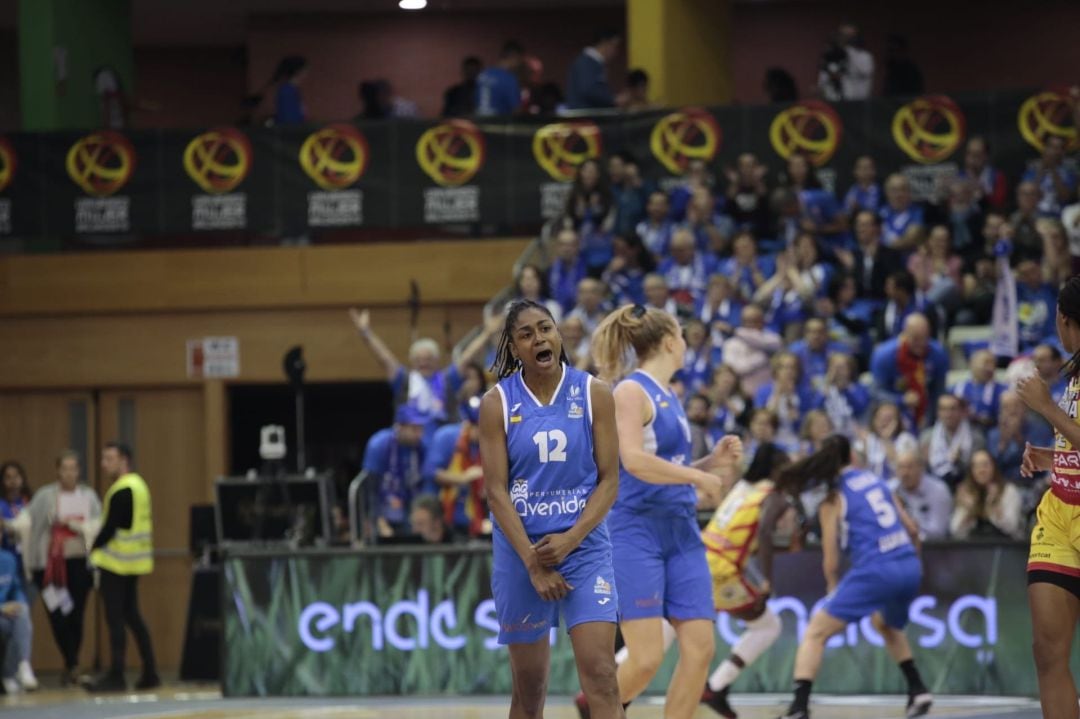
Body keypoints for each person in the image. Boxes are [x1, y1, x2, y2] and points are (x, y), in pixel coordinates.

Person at [590, 304, 742, 719]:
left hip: (681, 532)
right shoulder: (629, 391)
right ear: (671, 341)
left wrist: (710, 462)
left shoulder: (672, 395)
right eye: (682, 335)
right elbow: (634, 461)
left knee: (700, 649)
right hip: (636, 531)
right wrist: (699, 480)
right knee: (645, 659)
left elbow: (669, 465)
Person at [478, 299, 623, 719]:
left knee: (602, 674)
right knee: (529, 688)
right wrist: (533, 562)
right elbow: (495, 491)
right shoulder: (497, 403)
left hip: (584, 548)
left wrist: (572, 539)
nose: (539, 338)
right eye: (526, 334)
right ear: (514, 347)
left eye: (545, 328)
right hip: (522, 552)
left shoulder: (595, 392)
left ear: (558, 334)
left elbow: (609, 480)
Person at [778, 435, 931, 719]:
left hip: (876, 569)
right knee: (884, 624)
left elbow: (831, 559)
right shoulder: (877, 481)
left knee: (816, 631)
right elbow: (912, 529)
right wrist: (913, 564)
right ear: (852, 457)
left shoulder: (833, 498)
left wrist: (833, 588)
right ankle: (918, 689)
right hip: (908, 564)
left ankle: (798, 707)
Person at [1015, 276, 1080, 719]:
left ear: (1063, 318)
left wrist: (1046, 408)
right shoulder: (1076, 369)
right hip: (1059, 514)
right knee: (1047, 652)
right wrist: (1053, 457)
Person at [16, 451, 100, 687]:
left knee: (76, 614)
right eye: (65, 468)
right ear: (57, 471)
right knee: (57, 613)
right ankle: (73, 663)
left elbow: (97, 524)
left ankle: (71, 665)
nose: (69, 473)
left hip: (78, 563)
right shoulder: (45, 496)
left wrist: (75, 525)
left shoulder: (88, 495)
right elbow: (27, 521)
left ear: (79, 471)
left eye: (73, 468)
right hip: (50, 566)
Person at [349, 308, 500, 437]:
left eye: (428, 358)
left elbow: (467, 357)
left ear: (437, 360)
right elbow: (385, 358)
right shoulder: (404, 380)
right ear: (412, 362)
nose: (424, 362)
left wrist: (487, 333)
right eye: (419, 359)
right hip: (410, 441)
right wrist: (365, 334)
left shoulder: (447, 379)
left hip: (441, 443)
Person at [87, 442, 158, 692]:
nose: (104, 463)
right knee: (133, 617)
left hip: (116, 563)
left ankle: (117, 674)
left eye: (109, 458)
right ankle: (150, 671)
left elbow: (112, 527)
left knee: (116, 619)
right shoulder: (139, 486)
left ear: (124, 460)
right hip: (134, 561)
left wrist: (92, 548)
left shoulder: (122, 489)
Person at [364, 405, 432, 538]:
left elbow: (423, 482)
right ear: (400, 427)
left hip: (411, 508)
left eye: (421, 429)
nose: (419, 434)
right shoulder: (379, 444)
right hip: (384, 508)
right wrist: (378, 519)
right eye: (414, 429)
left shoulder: (421, 447)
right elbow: (370, 487)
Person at [870, 313, 948, 429]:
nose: (921, 343)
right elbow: (876, 392)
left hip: (926, 412)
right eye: (916, 338)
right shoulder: (884, 355)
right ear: (904, 334)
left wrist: (931, 420)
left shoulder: (938, 354)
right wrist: (901, 400)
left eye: (925, 338)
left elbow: (938, 391)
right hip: (893, 412)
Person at [949, 449, 1024, 540]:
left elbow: (1012, 528)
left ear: (994, 467)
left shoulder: (1008, 491)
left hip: (1005, 546)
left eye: (985, 465)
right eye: (976, 466)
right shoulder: (967, 493)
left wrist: (994, 506)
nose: (981, 470)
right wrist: (969, 511)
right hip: (975, 548)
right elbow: (955, 531)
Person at [919, 394, 986, 489]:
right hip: (935, 486)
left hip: (967, 486)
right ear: (938, 412)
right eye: (943, 409)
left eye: (952, 409)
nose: (948, 414)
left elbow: (978, 471)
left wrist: (960, 462)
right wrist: (925, 462)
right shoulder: (927, 437)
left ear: (962, 412)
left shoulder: (976, 438)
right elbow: (922, 473)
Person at [889, 449, 953, 540]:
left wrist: (914, 528)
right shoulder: (890, 489)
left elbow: (938, 532)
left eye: (909, 467)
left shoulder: (938, 490)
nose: (905, 473)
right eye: (900, 467)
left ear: (921, 468)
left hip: (932, 549)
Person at [722, 304, 783, 397]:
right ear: (741, 322)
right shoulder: (731, 344)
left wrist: (736, 331)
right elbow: (737, 369)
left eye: (755, 321)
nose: (751, 325)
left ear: (763, 321)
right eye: (747, 321)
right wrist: (764, 357)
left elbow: (759, 341)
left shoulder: (772, 338)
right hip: (740, 394)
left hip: (766, 393)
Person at [845, 210, 903, 301]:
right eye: (858, 225)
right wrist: (852, 267)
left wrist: (875, 259)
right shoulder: (852, 255)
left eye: (865, 225)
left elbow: (893, 283)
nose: (860, 229)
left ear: (877, 228)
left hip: (882, 303)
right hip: (855, 304)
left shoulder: (890, 254)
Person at [0, 548, 34, 694]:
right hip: (2, 610)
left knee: (22, 615)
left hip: (5, 615)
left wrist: (20, 604)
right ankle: (10, 674)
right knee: (18, 623)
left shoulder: (8, 559)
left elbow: (17, 588)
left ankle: (22, 666)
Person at [814, 353, 870, 438]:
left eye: (842, 368)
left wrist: (845, 390)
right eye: (835, 367)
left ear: (849, 370)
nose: (838, 371)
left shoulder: (858, 387)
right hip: (828, 431)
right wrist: (827, 385)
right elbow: (815, 409)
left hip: (853, 432)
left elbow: (860, 409)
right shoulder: (822, 387)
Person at [658, 229, 717, 311]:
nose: (676, 254)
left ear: (692, 248)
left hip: (701, 308)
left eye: (681, 250)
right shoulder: (665, 265)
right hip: (671, 308)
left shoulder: (708, 263)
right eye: (674, 250)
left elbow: (714, 289)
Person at [1022, 135, 1078, 218]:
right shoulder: (1033, 168)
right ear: (1045, 148)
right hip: (1035, 216)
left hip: (1059, 217)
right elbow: (1028, 194)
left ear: (1063, 152)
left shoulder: (1070, 171)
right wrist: (1042, 169)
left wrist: (1053, 169)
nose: (1053, 151)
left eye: (1057, 148)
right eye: (1050, 146)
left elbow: (1064, 197)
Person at [862, 402, 918, 482]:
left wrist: (886, 440)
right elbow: (862, 466)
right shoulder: (870, 438)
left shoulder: (906, 439)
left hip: (897, 486)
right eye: (880, 418)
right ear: (874, 420)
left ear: (897, 421)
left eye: (888, 419)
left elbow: (900, 468)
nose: (884, 422)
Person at [950, 349, 1006, 430]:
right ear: (972, 364)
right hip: (963, 430)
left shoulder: (1003, 390)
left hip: (991, 431)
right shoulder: (957, 388)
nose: (990, 367)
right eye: (986, 363)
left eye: (993, 363)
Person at [566, 29, 620, 110]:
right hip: (584, 118)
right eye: (614, 46)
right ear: (604, 43)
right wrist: (613, 100)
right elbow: (589, 91)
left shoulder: (594, 64)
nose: (615, 51)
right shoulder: (587, 63)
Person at [817, 24, 874, 101]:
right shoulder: (831, 55)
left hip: (860, 99)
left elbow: (865, 71)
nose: (846, 39)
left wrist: (848, 51)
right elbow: (824, 78)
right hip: (836, 99)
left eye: (850, 36)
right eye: (843, 35)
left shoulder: (864, 56)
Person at [725, 153, 771, 239]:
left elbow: (766, 206)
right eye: (745, 166)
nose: (748, 170)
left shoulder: (764, 184)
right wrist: (734, 183)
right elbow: (728, 208)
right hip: (737, 228)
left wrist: (757, 181)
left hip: (759, 228)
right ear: (740, 168)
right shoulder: (734, 186)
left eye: (751, 166)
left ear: (756, 167)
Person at [0, 462, 30, 589]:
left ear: (22, 479)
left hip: (27, 564)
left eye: (16, 476)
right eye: (8, 477)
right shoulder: (1, 505)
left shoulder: (29, 503)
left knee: (24, 605)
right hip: (6, 564)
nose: (13, 481)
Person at [475, 41, 523, 117]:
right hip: (499, 123)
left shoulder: (483, 74)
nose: (519, 64)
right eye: (519, 60)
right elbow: (516, 109)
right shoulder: (509, 78)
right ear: (514, 57)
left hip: (480, 121)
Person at [958, 136, 1007, 211]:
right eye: (969, 153)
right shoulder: (958, 176)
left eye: (977, 154)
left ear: (986, 156)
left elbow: (999, 204)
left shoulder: (996, 176)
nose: (973, 158)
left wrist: (983, 195)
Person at [879, 174, 925, 252]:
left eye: (903, 189)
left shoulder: (917, 212)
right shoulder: (879, 212)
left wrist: (881, 245)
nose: (899, 194)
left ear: (909, 192)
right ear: (887, 192)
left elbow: (908, 240)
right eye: (894, 190)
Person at [271, 55, 307, 125]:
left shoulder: (292, 90)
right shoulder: (287, 91)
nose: (306, 74)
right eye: (305, 70)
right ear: (298, 71)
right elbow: (290, 119)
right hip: (290, 131)